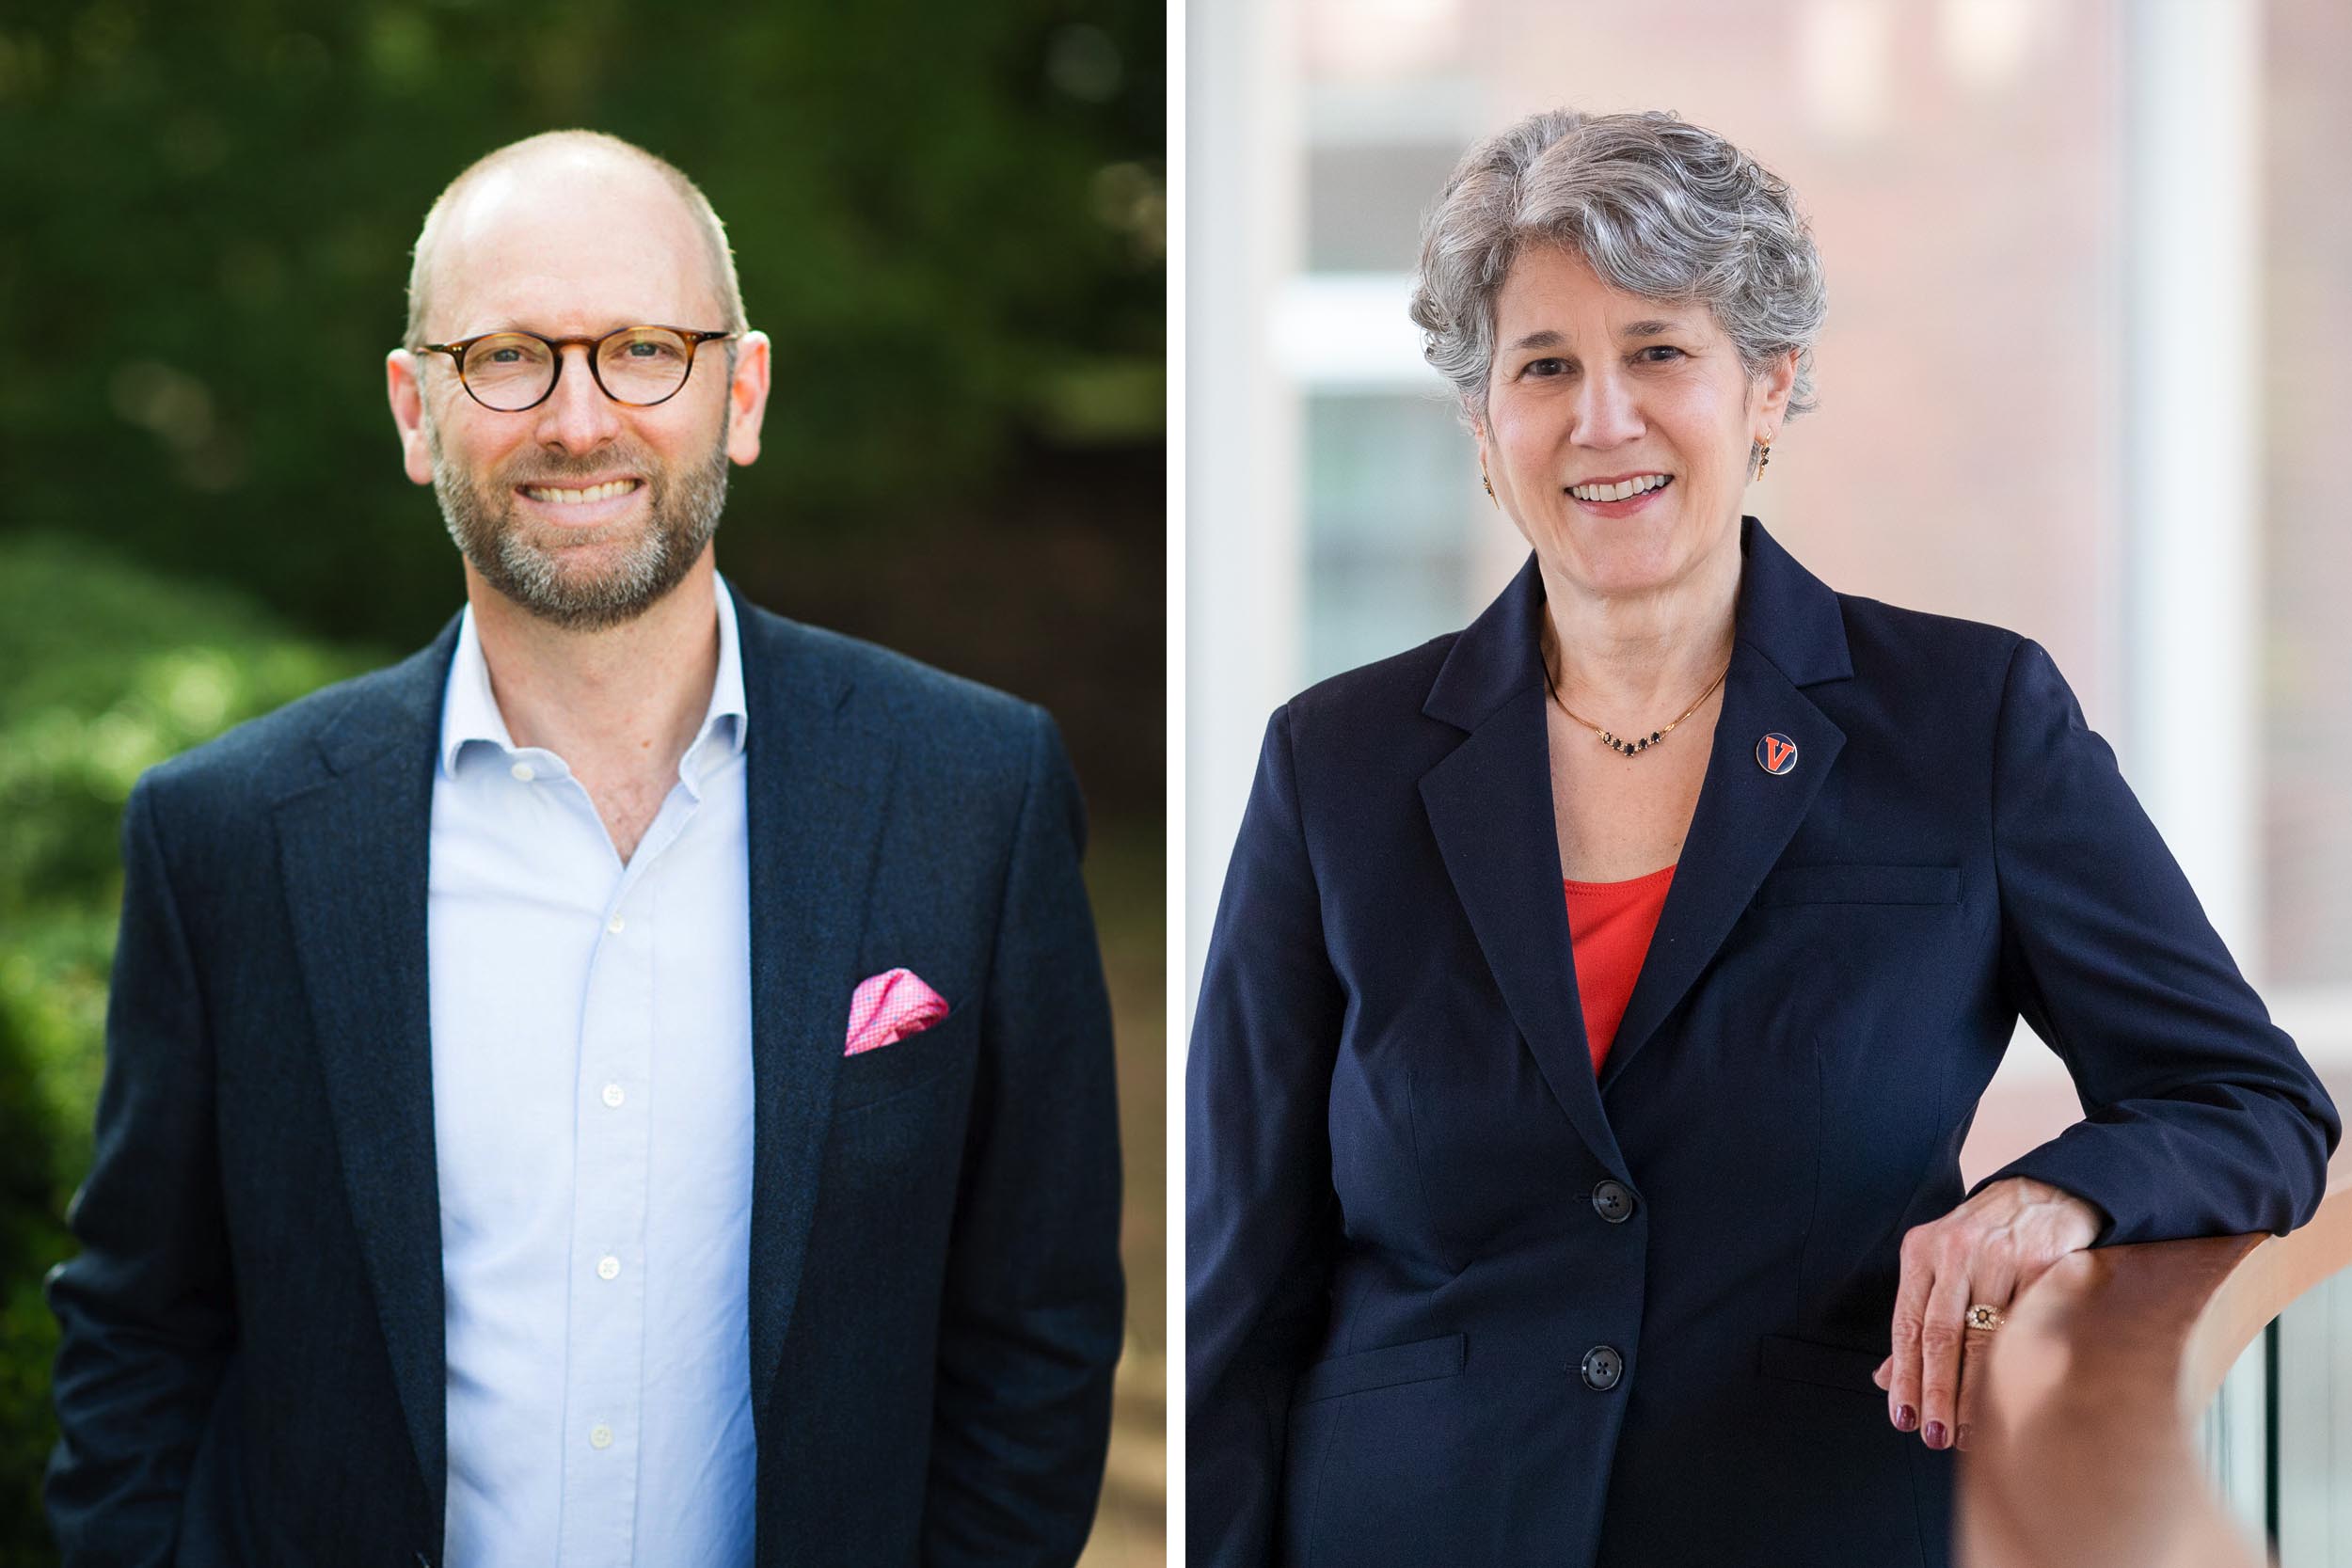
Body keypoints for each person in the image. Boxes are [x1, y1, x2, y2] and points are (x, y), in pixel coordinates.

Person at [1184, 106, 2339, 1568]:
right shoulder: (1333, 761)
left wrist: (2057, 1194)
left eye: (1659, 352)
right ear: (1485, 431)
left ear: (1769, 387)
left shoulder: (1965, 719)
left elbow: (2248, 1099)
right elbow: (1240, 1268)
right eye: (1545, 368)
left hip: (1810, 1523)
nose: (1604, 418)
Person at [45, 130, 1124, 1568]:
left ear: (738, 392)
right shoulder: (231, 837)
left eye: (642, 350)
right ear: (416, 410)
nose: (577, 419)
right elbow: (141, 1328)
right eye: (506, 357)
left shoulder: (969, 792)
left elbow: (1034, 1332)